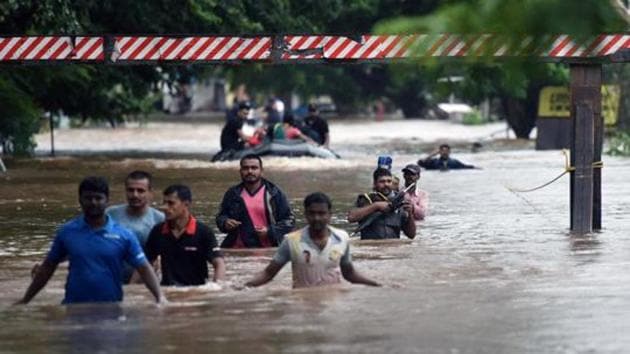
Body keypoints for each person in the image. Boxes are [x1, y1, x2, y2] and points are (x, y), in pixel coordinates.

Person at [16, 176, 165, 305]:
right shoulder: (67, 232)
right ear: (80, 199)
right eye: (88, 198)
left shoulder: (124, 235)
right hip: (73, 307)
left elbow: (144, 268)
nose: (93, 202)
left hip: (111, 307)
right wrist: (26, 300)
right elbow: (49, 266)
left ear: (107, 200)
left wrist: (160, 298)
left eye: (98, 198)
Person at [245, 192, 380, 288]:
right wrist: (241, 287)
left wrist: (378, 284)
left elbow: (350, 273)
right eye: (312, 213)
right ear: (305, 214)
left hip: (334, 303)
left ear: (329, 215)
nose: (317, 218)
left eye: (321, 213)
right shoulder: (292, 241)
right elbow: (268, 273)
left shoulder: (341, 238)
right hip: (302, 305)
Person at [145, 184, 225, 286]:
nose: (164, 207)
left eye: (171, 203)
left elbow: (219, 264)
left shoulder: (204, 232)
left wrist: (217, 288)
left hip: (196, 293)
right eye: (164, 203)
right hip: (168, 291)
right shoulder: (158, 231)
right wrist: (130, 289)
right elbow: (144, 264)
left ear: (186, 204)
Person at [216, 154, 295, 248]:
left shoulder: (274, 193)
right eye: (246, 168)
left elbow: (289, 221)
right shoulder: (232, 193)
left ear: (261, 171)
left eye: (254, 168)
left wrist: (269, 231)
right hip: (237, 250)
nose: (250, 171)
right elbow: (221, 216)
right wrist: (225, 222)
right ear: (240, 171)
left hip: (269, 250)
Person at [106, 170, 165, 284]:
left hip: (143, 284)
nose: (135, 195)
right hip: (111, 279)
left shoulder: (160, 219)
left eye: (140, 191)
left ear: (150, 193)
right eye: (130, 190)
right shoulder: (110, 214)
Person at [347, 168, 416, 240]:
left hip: (393, 248)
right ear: (375, 183)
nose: (386, 184)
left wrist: (410, 214)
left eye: (389, 181)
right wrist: (376, 206)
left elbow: (411, 235)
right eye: (382, 182)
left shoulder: (400, 201)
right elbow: (351, 217)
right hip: (371, 248)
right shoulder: (366, 199)